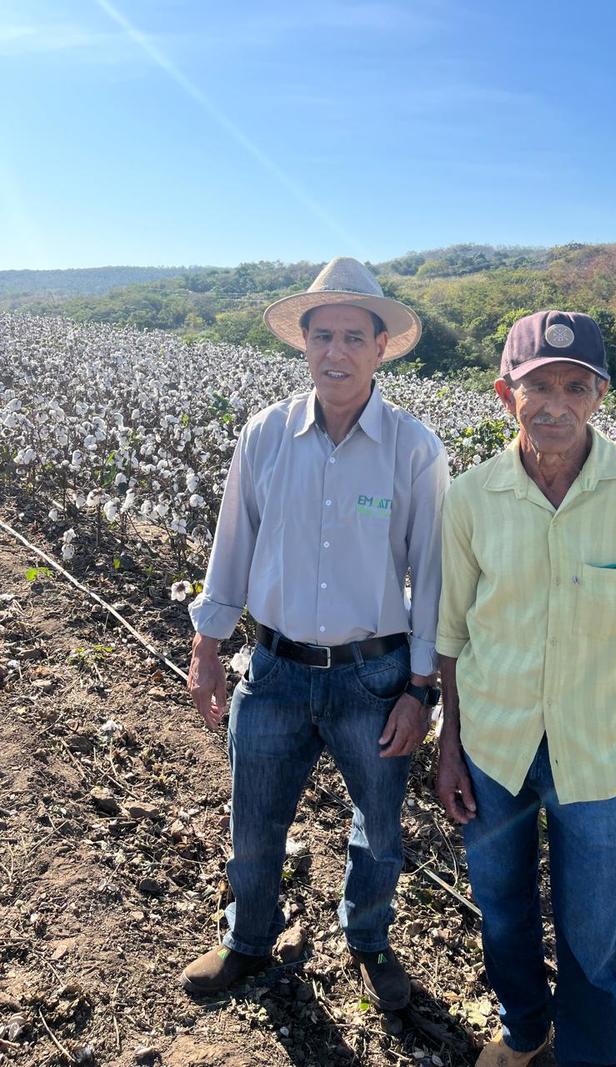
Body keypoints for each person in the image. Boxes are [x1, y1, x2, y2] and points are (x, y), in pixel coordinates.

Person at [435, 311, 616, 1066]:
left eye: (575, 386)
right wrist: (448, 744)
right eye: (538, 386)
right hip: (494, 748)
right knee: (502, 914)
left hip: (596, 754)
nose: (556, 404)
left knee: (593, 938)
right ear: (507, 395)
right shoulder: (472, 497)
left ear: (600, 394)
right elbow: (449, 632)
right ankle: (523, 1032)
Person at [181, 257, 448, 1010]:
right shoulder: (265, 435)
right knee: (254, 818)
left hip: (375, 676)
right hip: (273, 668)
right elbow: (230, 546)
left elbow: (430, 579)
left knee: (380, 831)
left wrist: (420, 691)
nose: (337, 351)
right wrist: (208, 646)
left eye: (353, 337)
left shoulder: (415, 449)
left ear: (381, 347)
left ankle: (367, 941)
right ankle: (248, 937)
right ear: (303, 342)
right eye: (322, 334)